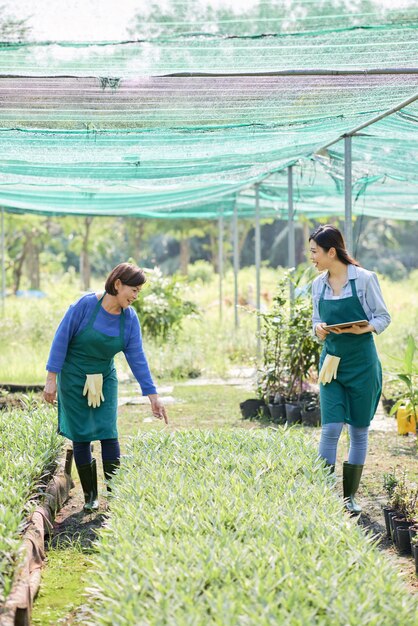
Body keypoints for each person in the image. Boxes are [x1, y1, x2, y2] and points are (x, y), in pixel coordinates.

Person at [43, 262, 168, 512]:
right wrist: (51, 379)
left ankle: (115, 493)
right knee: (82, 435)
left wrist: (153, 395)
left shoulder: (129, 319)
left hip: (105, 377)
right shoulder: (85, 306)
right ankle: (91, 496)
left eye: (138, 292)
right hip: (74, 376)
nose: (134, 297)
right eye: (133, 290)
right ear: (118, 284)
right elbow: (60, 340)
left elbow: (137, 358)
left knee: (108, 432)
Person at [309, 225, 390, 514]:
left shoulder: (365, 279)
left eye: (315, 252)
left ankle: (349, 497)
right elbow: (316, 320)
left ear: (332, 252)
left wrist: (364, 328)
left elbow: (383, 317)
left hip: (362, 364)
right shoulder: (318, 285)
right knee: (330, 428)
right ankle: (324, 494)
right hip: (331, 363)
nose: (312, 258)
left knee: (358, 429)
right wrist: (317, 329)